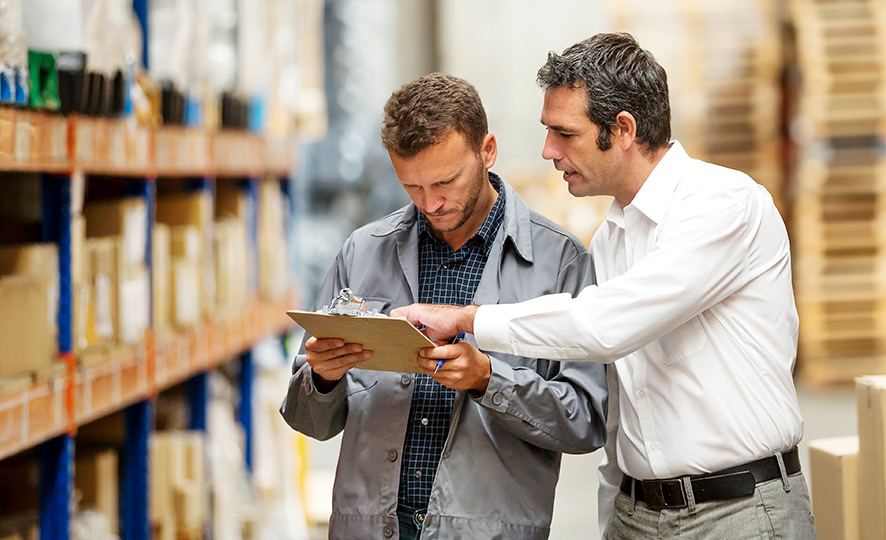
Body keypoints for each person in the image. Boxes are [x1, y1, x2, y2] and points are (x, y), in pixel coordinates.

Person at [392, 34, 817, 539]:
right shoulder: (612, 238)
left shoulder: (722, 204)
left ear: (622, 130)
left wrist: (468, 319)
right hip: (638, 511)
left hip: (737, 512)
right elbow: (624, 410)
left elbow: (607, 325)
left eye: (564, 133)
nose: (548, 150)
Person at [280, 73, 607, 540]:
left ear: (487, 151)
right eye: (411, 187)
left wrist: (490, 380)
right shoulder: (362, 252)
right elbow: (305, 419)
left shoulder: (561, 265)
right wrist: (323, 378)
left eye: (445, 181)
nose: (430, 203)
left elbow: (587, 420)